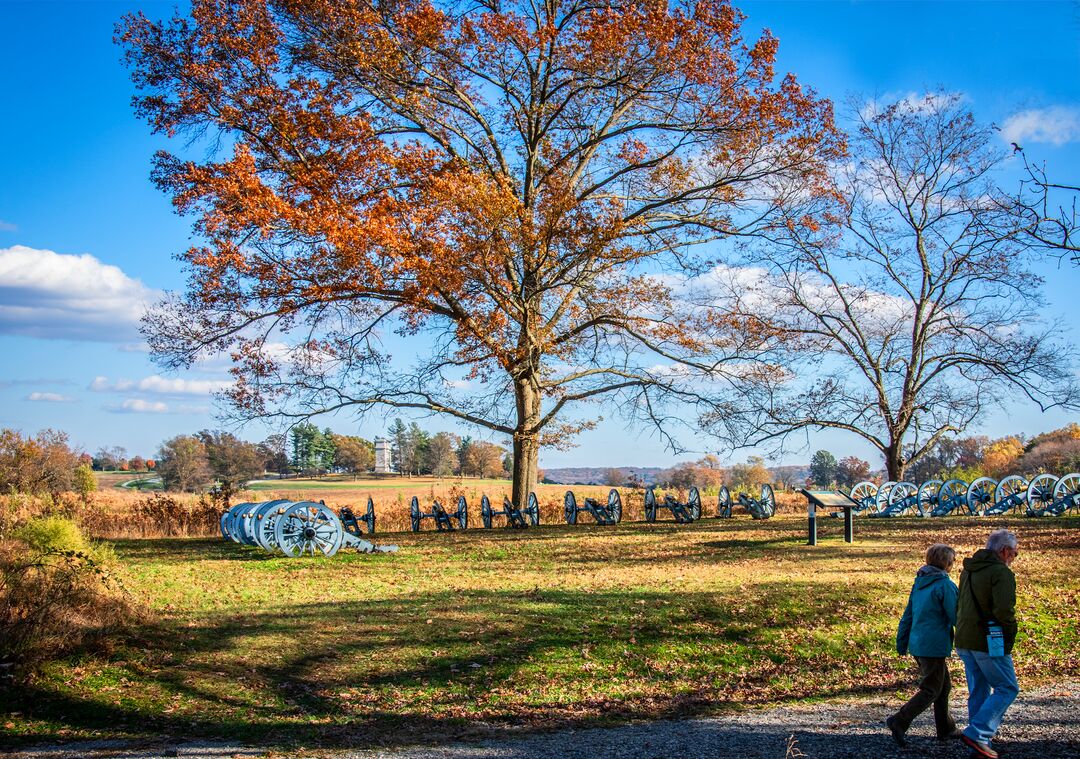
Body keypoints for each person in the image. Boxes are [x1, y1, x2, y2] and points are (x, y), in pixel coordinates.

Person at [886, 543, 960, 747]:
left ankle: (946, 727)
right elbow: (956, 616)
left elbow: (908, 614)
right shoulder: (945, 585)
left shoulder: (920, 583)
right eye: (952, 561)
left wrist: (902, 642)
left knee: (943, 686)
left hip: (917, 643)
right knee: (931, 689)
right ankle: (900, 720)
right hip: (933, 645)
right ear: (946, 563)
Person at [955, 529, 1020, 759]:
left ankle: (980, 743)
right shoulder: (1000, 573)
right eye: (1014, 553)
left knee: (979, 689)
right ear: (1004, 551)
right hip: (987, 639)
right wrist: (1010, 633)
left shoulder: (969, 569)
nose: (1014, 557)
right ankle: (978, 732)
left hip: (964, 637)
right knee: (1007, 687)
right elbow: (1004, 611)